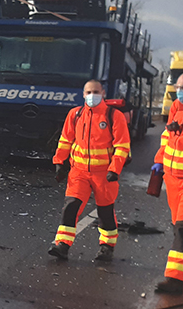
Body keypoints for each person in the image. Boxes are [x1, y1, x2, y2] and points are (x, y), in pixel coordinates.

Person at [48, 79, 130, 262]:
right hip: (79, 172)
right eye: (88, 92)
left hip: (104, 174)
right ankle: (62, 245)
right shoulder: (75, 114)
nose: (92, 95)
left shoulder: (114, 116)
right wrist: (60, 162)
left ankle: (106, 247)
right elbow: (65, 140)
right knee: (71, 207)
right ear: (83, 94)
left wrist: (114, 169)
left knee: (105, 212)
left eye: (96, 92)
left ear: (103, 93)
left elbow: (122, 146)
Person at [151, 69, 183, 294]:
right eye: (177, 87)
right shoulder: (176, 108)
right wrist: (159, 161)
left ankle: (174, 280)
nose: (179, 92)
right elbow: (167, 137)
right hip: (172, 179)